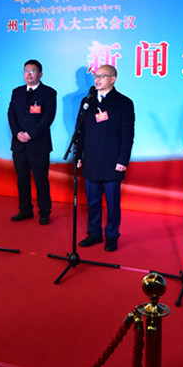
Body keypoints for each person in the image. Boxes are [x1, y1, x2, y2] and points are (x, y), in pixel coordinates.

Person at [75, 64, 135, 252]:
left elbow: (127, 135)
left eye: (102, 76)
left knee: (112, 204)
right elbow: (80, 131)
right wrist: (78, 154)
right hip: (91, 159)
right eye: (96, 76)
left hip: (112, 162)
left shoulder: (124, 103)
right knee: (92, 201)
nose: (97, 79)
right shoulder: (87, 101)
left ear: (113, 79)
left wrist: (123, 160)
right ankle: (94, 233)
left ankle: (111, 235)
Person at [8, 60, 57, 225]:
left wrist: (30, 134)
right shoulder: (17, 92)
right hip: (19, 144)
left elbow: (48, 118)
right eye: (26, 71)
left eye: (32, 71)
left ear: (40, 74)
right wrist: (17, 133)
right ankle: (25, 209)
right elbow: (11, 114)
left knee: (41, 180)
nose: (28, 74)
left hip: (38, 145)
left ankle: (44, 212)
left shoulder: (49, 93)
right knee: (22, 179)